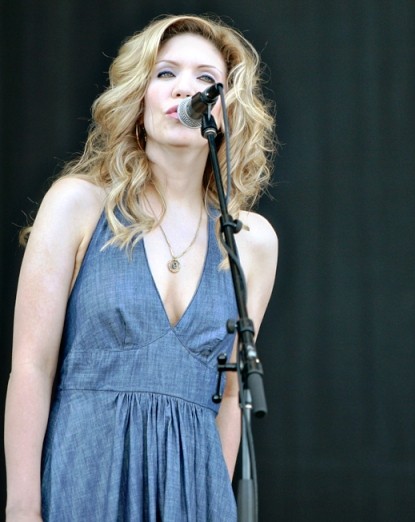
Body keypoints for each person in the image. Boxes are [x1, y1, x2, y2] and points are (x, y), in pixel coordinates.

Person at [4, 14, 278, 521]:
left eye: (205, 79)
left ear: (226, 107)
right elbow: (32, 367)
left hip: (195, 491)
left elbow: (232, 395)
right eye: (166, 73)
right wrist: (22, 509)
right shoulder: (78, 206)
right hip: (90, 475)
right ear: (139, 95)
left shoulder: (250, 242)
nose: (185, 90)